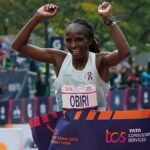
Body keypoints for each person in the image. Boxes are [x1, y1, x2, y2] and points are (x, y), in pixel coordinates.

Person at [11, 2, 130, 112]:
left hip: (95, 130)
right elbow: (18, 45)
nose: (73, 45)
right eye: (69, 40)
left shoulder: (99, 61)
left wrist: (109, 20)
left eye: (79, 40)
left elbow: (124, 52)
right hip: (67, 132)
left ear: (89, 41)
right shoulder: (59, 59)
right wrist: (37, 17)